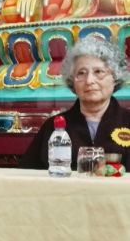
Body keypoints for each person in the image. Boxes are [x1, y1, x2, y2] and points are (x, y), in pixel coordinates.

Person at [20, 35, 130, 170]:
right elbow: (28, 176)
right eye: (81, 73)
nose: (89, 80)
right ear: (72, 81)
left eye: (98, 72)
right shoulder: (53, 127)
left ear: (115, 77)